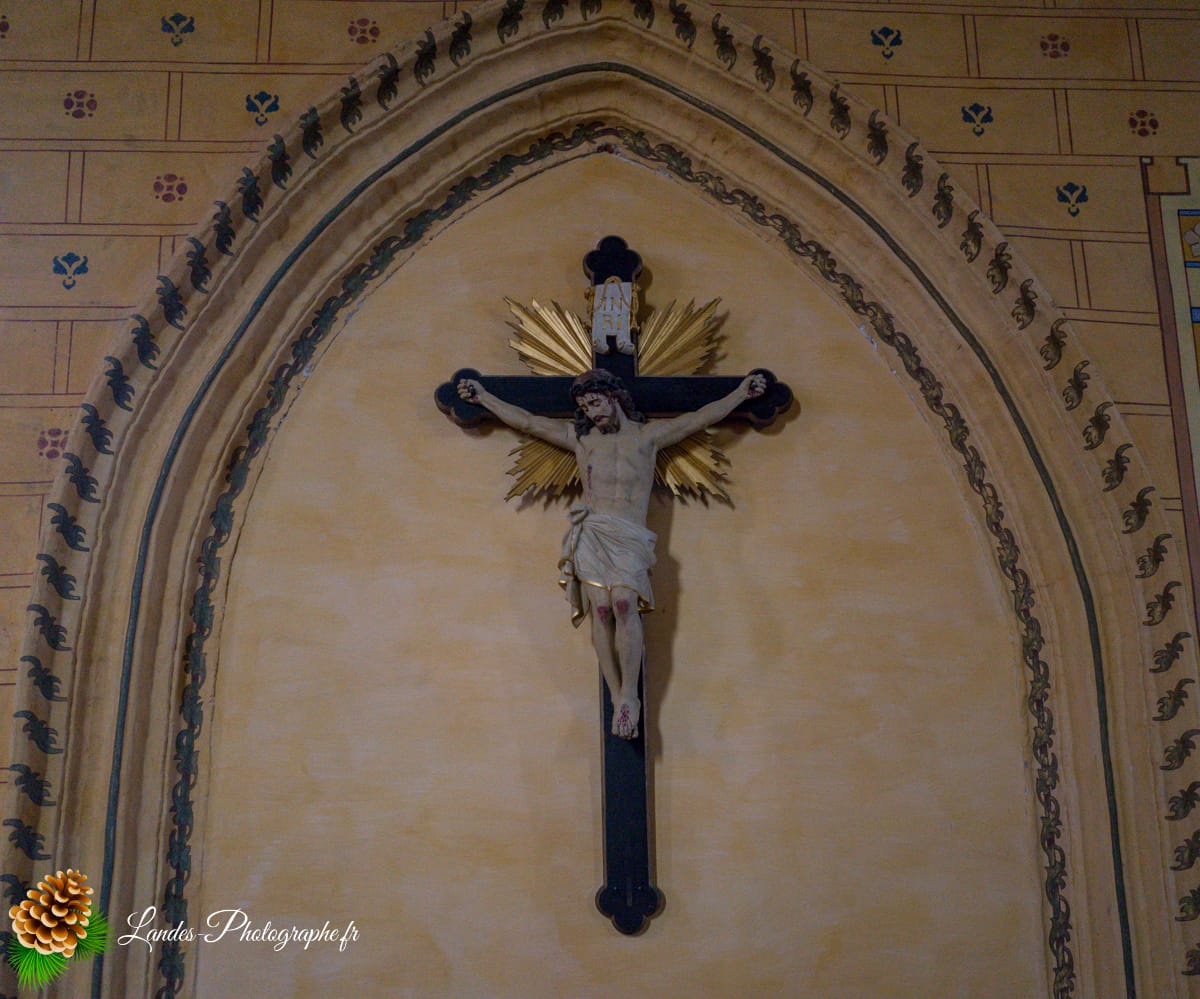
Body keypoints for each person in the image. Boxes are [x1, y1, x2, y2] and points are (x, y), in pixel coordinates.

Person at [457, 368, 766, 738]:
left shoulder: (650, 436)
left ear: (615, 397)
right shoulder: (582, 441)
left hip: (629, 535)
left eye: (596, 402)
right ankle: (619, 695)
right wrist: (484, 399)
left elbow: (701, 417)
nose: (592, 412)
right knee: (601, 611)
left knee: (623, 604)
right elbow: (528, 422)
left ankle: (629, 695)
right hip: (594, 532)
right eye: (585, 407)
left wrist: (741, 394)